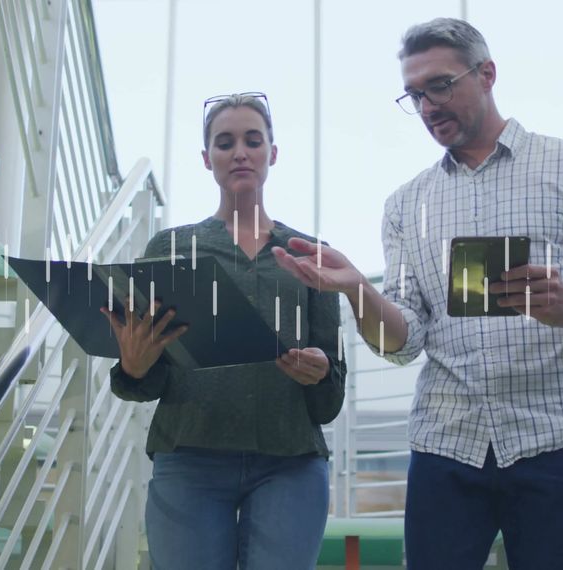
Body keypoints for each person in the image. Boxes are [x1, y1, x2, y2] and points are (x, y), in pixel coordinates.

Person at [273, 18, 563, 569]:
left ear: (488, 74)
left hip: (558, 435)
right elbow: (401, 342)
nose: (426, 105)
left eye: (441, 85)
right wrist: (357, 288)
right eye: (415, 94)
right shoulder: (406, 205)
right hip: (447, 442)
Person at [103, 92, 345, 570]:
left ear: (272, 154)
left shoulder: (310, 253)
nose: (240, 152)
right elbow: (145, 385)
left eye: (253, 141)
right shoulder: (170, 248)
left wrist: (319, 374)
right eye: (225, 142)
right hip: (189, 458)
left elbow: (330, 399)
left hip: (290, 461)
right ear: (206, 157)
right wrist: (132, 368)